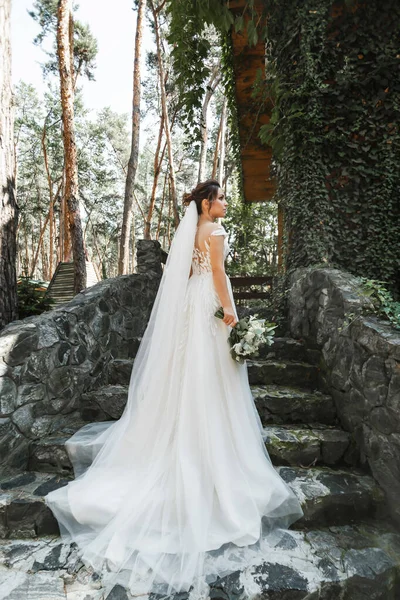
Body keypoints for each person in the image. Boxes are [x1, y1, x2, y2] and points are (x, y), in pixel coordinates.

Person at [45, 179, 304, 600]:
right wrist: (232, 317)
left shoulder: (194, 232)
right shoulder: (215, 232)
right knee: (214, 381)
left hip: (191, 309)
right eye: (220, 198)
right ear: (207, 203)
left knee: (191, 378)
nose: (225, 203)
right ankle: (210, 455)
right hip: (211, 308)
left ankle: (187, 439)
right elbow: (218, 273)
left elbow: (184, 275)